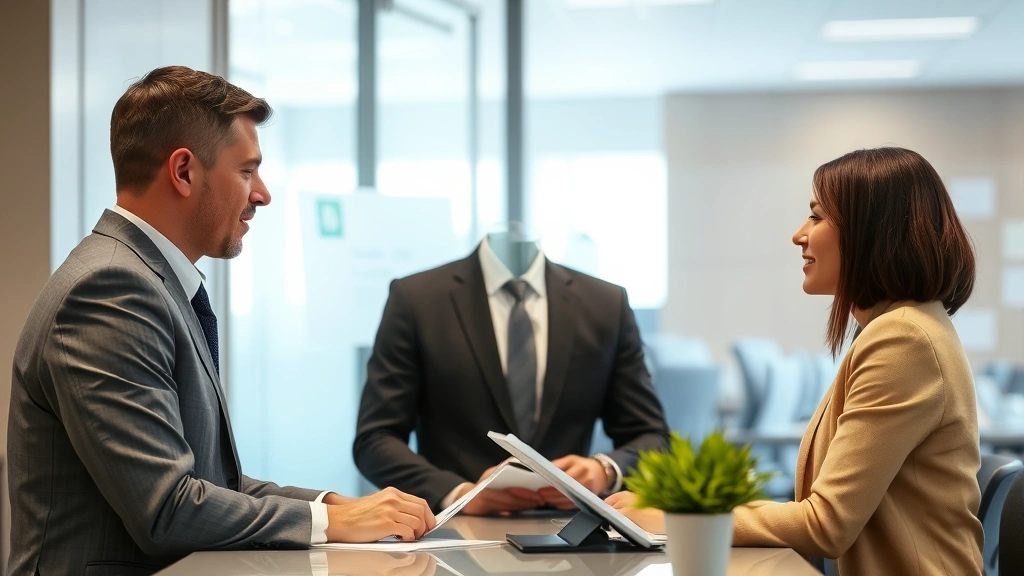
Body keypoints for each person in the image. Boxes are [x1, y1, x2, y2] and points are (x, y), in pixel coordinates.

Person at [6, 66, 434, 576]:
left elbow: (212, 484)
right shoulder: (109, 291)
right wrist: (326, 522)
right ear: (184, 171)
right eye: (248, 171)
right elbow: (168, 509)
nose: (263, 194)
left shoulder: (148, 281)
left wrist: (334, 506)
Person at [608, 147, 984, 575]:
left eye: (818, 217)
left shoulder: (903, 339)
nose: (799, 234)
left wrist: (681, 521)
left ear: (872, 232)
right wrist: (688, 507)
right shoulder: (901, 327)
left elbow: (826, 524)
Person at [353, 233, 670, 515]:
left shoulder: (604, 303)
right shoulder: (417, 298)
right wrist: (458, 493)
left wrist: (604, 470)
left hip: (572, 536)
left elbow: (654, 436)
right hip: (456, 536)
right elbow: (375, 439)